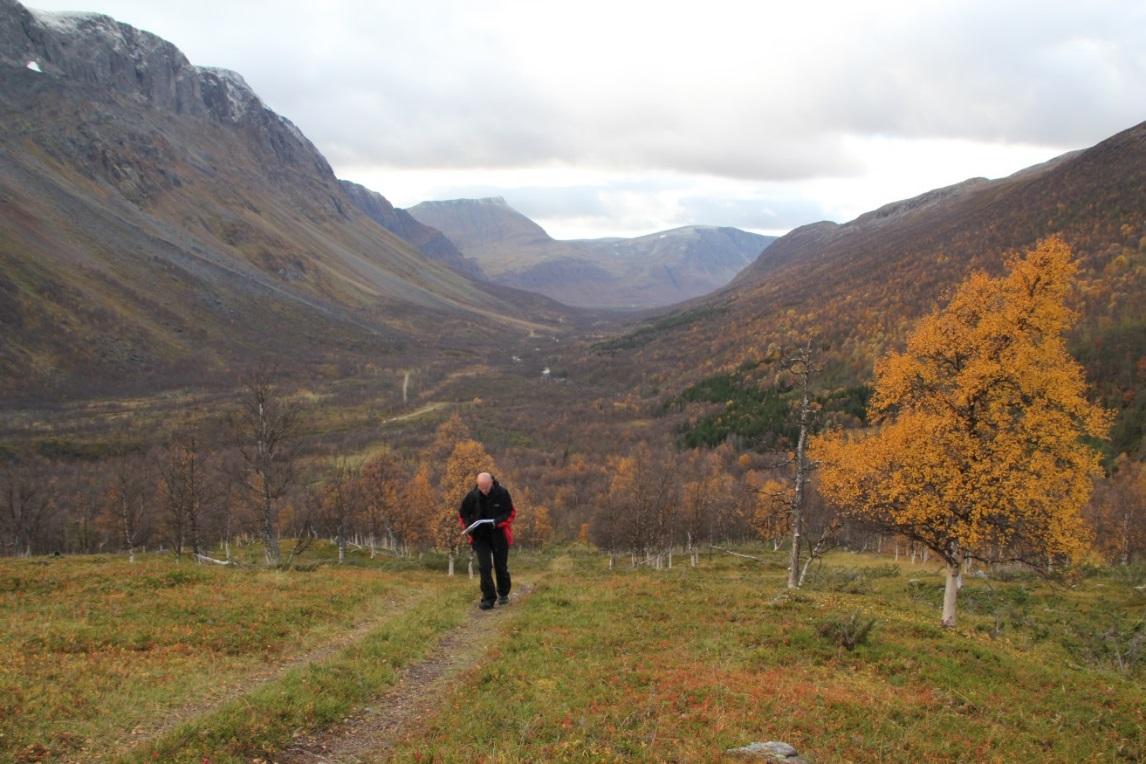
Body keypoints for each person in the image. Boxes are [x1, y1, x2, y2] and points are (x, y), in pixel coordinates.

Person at [458, 472, 516, 609]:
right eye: (481, 488)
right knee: (484, 566)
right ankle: (488, 598)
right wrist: (468, 527)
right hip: (480, 536)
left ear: (492, 482)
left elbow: (510, 513)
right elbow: (463, 514)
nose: (484, 491)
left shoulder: (502, 493)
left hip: (499, 534)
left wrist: (497, 522)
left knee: (500, 566)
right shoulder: (472, 496)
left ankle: (503, 593)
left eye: (486, 487)